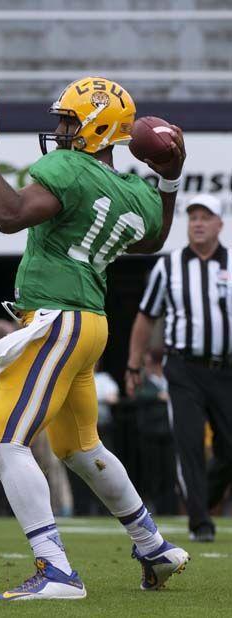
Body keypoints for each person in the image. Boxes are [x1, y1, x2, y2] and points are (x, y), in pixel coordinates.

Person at [0, 79, 187, 599]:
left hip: (56, 319)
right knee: (80, 447)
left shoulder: (67, 170)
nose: (59, 130)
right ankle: (153, 545)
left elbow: (8, 216)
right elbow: (152, 239)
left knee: (4, 439)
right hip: (90, 324)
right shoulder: (133, 192)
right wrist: (169, 181)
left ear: (95, 127)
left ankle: (55, 568)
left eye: (68, 121)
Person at [127, 193, 232, 543]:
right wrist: (133, 364)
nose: (198, 223)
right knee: (188, 441)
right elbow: (146, 315)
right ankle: (200, 520)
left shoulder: (231, 263)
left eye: (206, 217)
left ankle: (208, 497)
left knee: (229, 446)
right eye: (193, 217)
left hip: (226, 368)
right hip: (183, 367)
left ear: (220, 223)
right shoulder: (168, 266)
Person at [130, 348, 178, 515]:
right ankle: (154, 506)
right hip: (150, 432)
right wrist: (158, 396)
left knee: (169, 472)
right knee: (152, 472)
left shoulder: (167, 379)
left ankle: (170, 508)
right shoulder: (144, 379)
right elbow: (137, 395)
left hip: (168, 432)